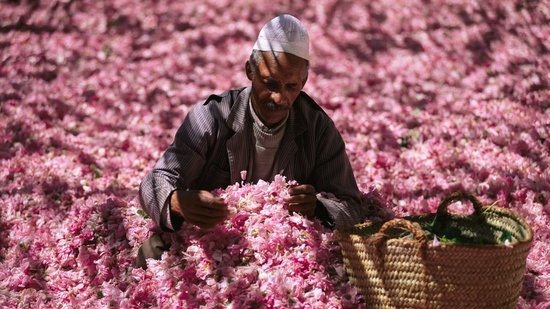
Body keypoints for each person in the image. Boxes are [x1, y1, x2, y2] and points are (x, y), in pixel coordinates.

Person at [136, 14, 367, 269]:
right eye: (270, 83)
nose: (279, 98)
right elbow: (155, 180)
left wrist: (318, 208)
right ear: (250, 70)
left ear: (304, 82)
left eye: (291, 86)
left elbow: (351, 207)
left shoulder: (318, 129)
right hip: (211, 246)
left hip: (283, 259)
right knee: (153, 253)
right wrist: (177, 202)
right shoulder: (212, 117)